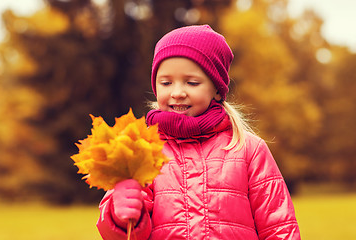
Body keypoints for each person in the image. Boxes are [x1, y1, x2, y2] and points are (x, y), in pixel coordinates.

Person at [96, 25, 301, 240]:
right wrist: (120, 216)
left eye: (192, 82)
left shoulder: (248, 149)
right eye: (166, 83)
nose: (177, 92)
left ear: (217, 89)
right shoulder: (141, 151)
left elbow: (279, 227)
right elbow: (125, 235)